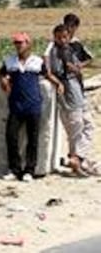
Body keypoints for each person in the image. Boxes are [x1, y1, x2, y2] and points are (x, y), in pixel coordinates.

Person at [45, 24, 96, 175]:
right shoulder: (54, 51)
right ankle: (76, 159)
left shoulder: (70, 48)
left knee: (86, 126)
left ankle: (78, 158)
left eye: (65, 37)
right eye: (59, 37)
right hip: (70, 94)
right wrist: (59, 82)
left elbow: (87, 60)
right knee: (76, 128)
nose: (62, 40)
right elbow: (50, 71)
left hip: (77, 92)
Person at [0, 32, 46, 181]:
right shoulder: (9, 61)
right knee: (11, 137)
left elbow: (47, 74)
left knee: (32, 139)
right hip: (16, 105)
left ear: (28, 44)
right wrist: (3, 81)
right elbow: (1, 73)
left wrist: (58, 83)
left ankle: (29, 170)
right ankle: (15, 169)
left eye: (21, 43)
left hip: (33, 105)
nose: (18, 46)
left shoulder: (37, 61)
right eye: (16, 43)